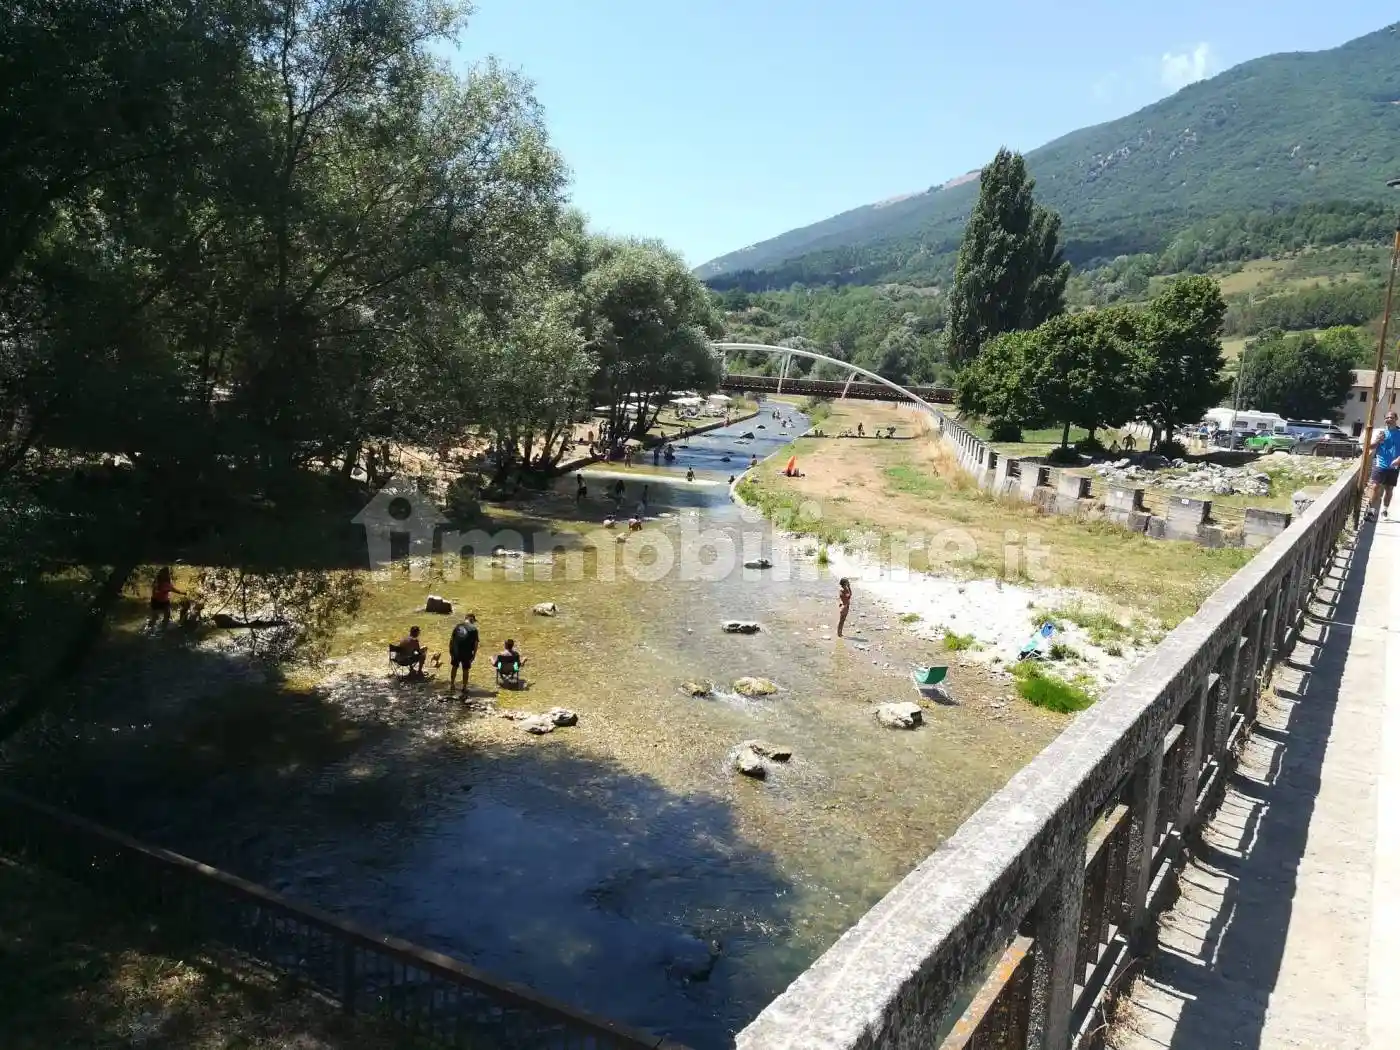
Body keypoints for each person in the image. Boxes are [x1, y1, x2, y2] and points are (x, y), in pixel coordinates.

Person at [1366, 410, 1400, 521]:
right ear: (1384, 419)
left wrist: (1398, 460)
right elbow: (1370, 447)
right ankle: (1371, 511)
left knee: (1389, 489)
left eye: (1391, 417)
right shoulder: (1380, 432)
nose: (1389, 419)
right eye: (1387, 418)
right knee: (1375, 486)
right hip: (1380, 463)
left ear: (1396, 419)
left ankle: (1384, 510)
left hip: (1394, 466)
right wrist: (1377, 440)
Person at [448, 613, 479, 695]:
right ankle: (464, 687)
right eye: (473, 621)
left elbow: (451, 640)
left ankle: (452, 684)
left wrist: (451, 651)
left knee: (454, 667)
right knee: (465, 669)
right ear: (471, 619)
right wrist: (474, 655)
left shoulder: (457, 626)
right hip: (467, 652)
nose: (474, 622)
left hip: (456, 650)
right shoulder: (474, 629)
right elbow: (476, 644)